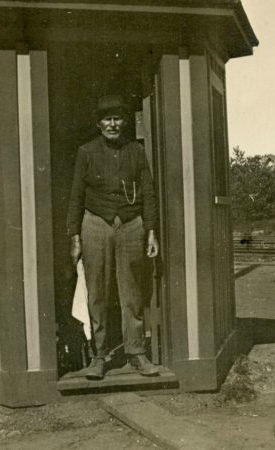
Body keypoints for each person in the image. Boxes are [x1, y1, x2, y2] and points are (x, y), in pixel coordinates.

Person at [67, 94, 160, 380]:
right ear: (99, 124)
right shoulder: (87, 152)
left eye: (117, 118)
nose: (113, 124)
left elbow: (148, 193)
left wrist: (151, 231)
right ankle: (99, 356)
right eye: (107, 119)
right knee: (97, 292)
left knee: (131, 292)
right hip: (94, 224)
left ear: (124, 121)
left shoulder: (136, 151)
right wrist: (74, 235)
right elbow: (75, 196)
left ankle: (136, 353)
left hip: (131, 226)